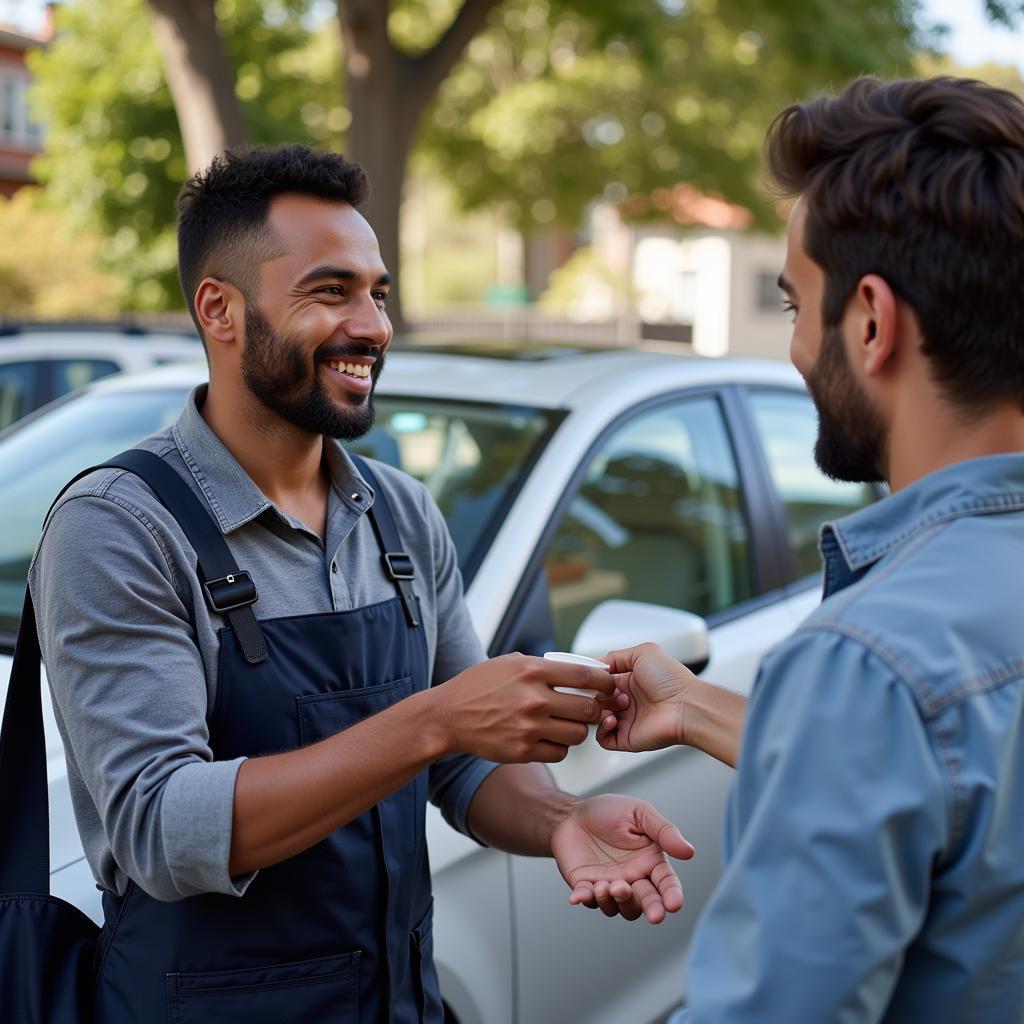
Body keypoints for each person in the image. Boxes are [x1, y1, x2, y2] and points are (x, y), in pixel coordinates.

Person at [28, 144, 693, 1023]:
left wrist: (559, 819)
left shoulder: (402, 515)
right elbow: (159, 825)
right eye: (330, 291)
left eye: (377, 292)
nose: (374, 325)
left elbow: (459, 766)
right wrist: (434, 718)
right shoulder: (118, 528)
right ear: (219, 310)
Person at [594, 76, 1024, 1021]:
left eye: (796, 306)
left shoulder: (864, 664)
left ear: (871, 320)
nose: (793, 349)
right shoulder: (893, 676)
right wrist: (698, 706)